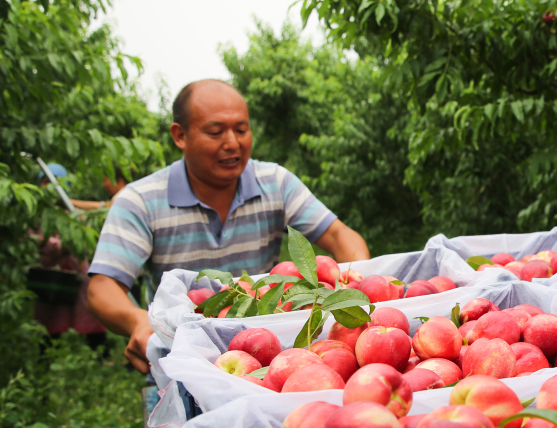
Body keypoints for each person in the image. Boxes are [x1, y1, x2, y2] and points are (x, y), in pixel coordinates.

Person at [87, 79, 370, 374]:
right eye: (215, 131)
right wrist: (136, 320)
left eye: (241, 129)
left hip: (270, 356)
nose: (232, 143)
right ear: (180, 135)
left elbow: (339, 235)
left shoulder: (274, 183)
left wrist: (355, 285)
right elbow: (102, 287)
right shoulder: (141, 201)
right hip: (185, 365)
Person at [33, 164, 108, 351]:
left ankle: (99, 353)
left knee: (88, 311)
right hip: (48, 274)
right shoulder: (35, 212)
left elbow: (82, 238)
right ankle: (46, 358)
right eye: (45, 182)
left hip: (75, 271)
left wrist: (50, 242)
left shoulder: (72, 211)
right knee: (49, 315)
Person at [69, 166, 133, 210]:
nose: (103, 184)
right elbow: (103, 205)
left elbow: (102, 206)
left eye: (105, 180)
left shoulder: (123, 196)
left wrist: (71, 202)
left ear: (119, 180)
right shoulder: (127, 194)